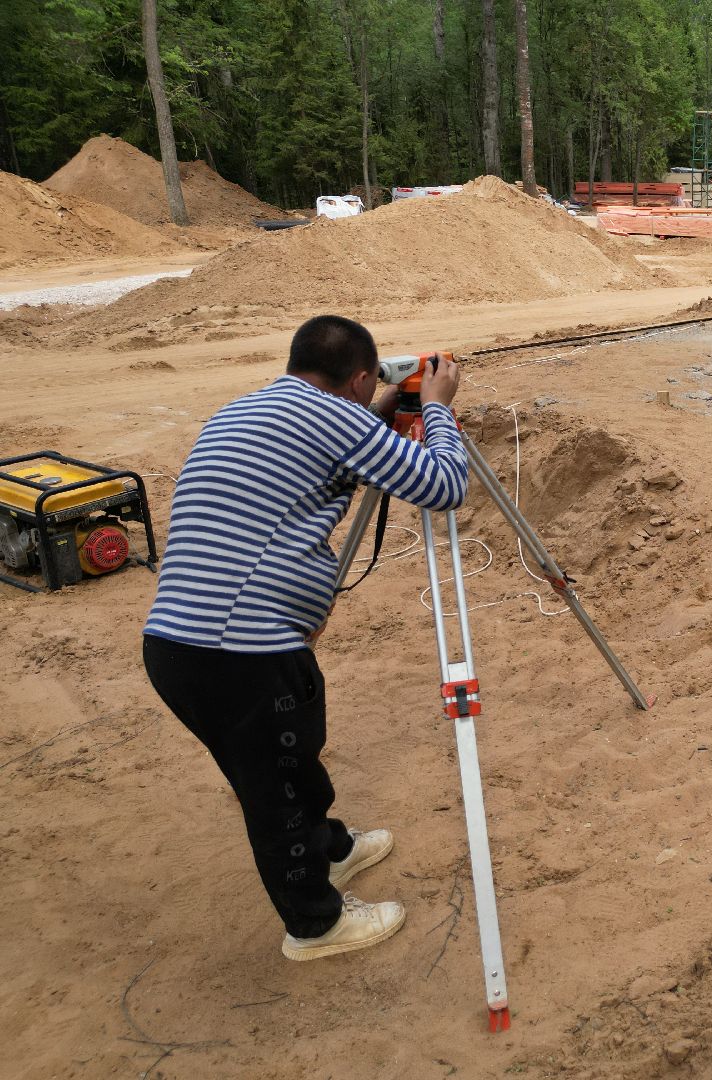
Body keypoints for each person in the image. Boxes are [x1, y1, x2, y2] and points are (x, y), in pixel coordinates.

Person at [142, 315, 468, 961]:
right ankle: (315, 927)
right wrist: (435, 409)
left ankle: (332, 851)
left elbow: (330, 453)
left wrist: (380, 405)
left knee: (288, 761)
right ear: (358, 377)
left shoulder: (248, 409)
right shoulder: (335, 416)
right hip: (234, 651)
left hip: (187, 645)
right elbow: (443, 486)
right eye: (371, 383)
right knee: (276, 791)